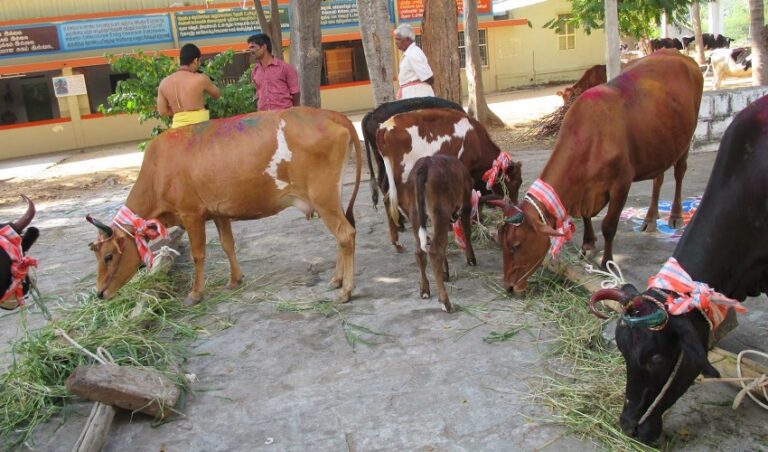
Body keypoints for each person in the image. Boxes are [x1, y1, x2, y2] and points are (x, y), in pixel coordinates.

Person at [157, 43, 221, 129]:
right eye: (199, 61)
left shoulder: (164, 83)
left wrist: (181, 113)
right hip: (200, 128)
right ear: (195, 60)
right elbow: (217, 94)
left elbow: (162, 111)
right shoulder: (201, 79)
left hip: (177, 130)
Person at [247, 33, 300, 111]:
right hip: (264, 118)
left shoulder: (285, 68)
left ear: (264, 47)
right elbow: (258, 94)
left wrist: (294, 112)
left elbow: (295, 93)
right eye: (249, 48)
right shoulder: (255, 71)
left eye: (253, 47)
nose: (250, 51)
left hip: (284, 117)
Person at [393, 24, 435, 100]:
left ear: (408, 39)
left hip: (417, 95)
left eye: (398, 39)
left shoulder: (413, 53)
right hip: (411, 95)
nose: (396, 42)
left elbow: (429, 78)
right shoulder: (409, 53)